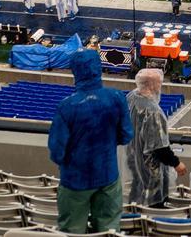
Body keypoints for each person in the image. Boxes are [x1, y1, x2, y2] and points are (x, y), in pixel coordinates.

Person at [48, 50, 133, 234]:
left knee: (72, 231)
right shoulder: (117, 98)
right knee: (108, 231)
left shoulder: (67, 106)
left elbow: (56, 151)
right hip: (108, 176)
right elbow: (126, 135)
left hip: (75, 181)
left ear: (74, 71)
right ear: (99, 68)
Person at [125, 69, 186, 207]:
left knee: (136, 193)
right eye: (159, 83)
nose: (160, 87)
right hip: (150, 167)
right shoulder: (153, 112)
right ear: (152, 85)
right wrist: (176, 163)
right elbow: (159, 147)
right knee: (154, 201)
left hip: (133, 158)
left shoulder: (131, 97)